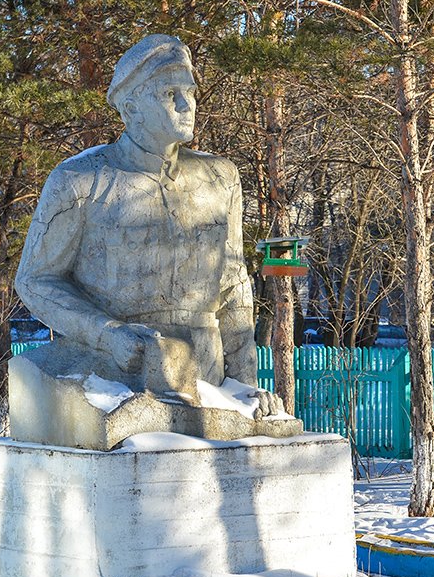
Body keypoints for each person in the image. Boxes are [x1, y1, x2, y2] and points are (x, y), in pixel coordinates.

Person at [15, 34, 281, 416]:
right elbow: (35, 280)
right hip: (119, 375)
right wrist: (106, 335)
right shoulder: (81, 180)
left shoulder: (220, 177)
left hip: (207, 380)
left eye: (190, 92)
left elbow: (234, 284)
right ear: (130, 107)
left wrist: (243, 386)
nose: (187, 105)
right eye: (170, 93)